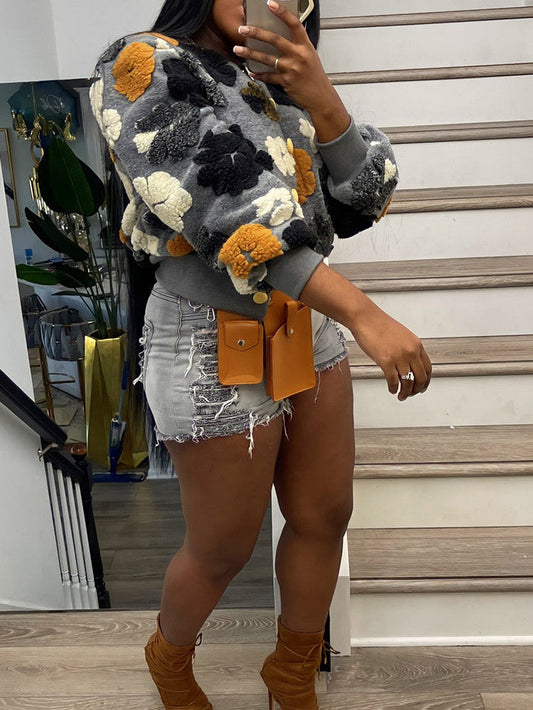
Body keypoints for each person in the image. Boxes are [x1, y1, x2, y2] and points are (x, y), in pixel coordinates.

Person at [91, 1, 432, 708]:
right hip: (206, 335)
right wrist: (364, 313)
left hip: (302, 320)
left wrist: (323, 99)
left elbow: (360, 202)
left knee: (323, 516)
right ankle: (169, 658)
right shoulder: (144, 64)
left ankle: (291, 671)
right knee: (222, 546)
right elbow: (235, 217)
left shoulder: (281, 79)